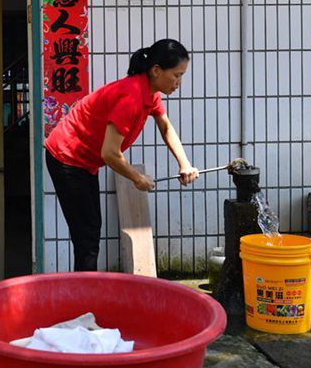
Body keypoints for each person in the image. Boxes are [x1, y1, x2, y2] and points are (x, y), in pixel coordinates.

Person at [45, 39, 200, 271]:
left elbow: (166, 127)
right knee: (87, 236)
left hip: (85, 161)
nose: (179, 82)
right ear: (156, 71)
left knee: (89, 232)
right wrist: (137, 177)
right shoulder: (131, 97)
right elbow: (109, 154)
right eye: (176, 75)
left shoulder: (150, 92)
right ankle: (83, 301)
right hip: (67, 156)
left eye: (182, 76)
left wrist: (184, 163)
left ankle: (85, 294)